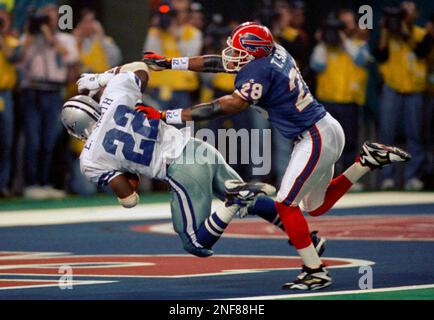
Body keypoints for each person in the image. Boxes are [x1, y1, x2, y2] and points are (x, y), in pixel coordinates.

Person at [141, 21, 411, 290]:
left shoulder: (259, 71)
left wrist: (168, 116)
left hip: (313, 137)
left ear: (254, 54)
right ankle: (365, 162)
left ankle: (314, 270)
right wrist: (169, 63)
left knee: (285, 205)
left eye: (239, 52)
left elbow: (226, 105)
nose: (232, 56)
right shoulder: (272, 52)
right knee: (314, 206)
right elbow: (221, 62)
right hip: (324, 129)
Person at [63, 62, 324, 258]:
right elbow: (141, 68)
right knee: (256, 203)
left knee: (195, 243)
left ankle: (234, 201)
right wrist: (100, 79)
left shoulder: (89, 158)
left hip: (181, 168)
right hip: (199, 147)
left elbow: (129, 198)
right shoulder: (113, 98)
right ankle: (306, 238)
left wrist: (126, 175)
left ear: (76, 129)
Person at [18, 4, 79, 199]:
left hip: (54, 91)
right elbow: (18, 59)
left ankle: (47, 182)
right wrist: (30, 33)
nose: (48, 21)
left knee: (50, 140)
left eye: (52, 17)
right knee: (34, 140)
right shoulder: (29, 39)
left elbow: (71, 58)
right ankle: (32, 183)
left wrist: (50, 38)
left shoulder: (65, 39)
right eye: (45, 18)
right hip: (33, 90)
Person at [310, 11, 370, 189]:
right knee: (328, 145)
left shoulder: (359, 45)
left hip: (349, 101)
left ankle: (348, 181)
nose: (338, 30)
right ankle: (327, 180)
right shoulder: (323, 48)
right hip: (326, 102)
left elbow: (361, 61)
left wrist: (344, 41)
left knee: (350, 143)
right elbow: (316, 65)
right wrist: (322, 42)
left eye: (344, 25)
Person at [373, 3, 428, 191]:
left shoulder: (420, 33)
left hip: (415, 89)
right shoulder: (389, 33)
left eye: (409, 10)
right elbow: (379, 55)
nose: (404, 14)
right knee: (386, 134)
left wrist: (406, 32)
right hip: (392, 87)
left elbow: (422, 52)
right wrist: (384, 30)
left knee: (415, 135)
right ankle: (387, 178)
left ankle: (413, 176)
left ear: (416, 14)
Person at [143, 0, 202, 110]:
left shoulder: (193, 32)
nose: (177, 16)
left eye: (182, 12)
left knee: (181, 125)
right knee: (155, 124)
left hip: (182, 89)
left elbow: (190, 56)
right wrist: (159, 31)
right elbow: (150, 59)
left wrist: (176, 35)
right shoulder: (156, 32)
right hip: (158, 87)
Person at [0, 5, 20, 197]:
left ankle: (3, 185)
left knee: (6, 143)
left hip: (5, 94)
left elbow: (11, 56)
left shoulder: (12, 41)